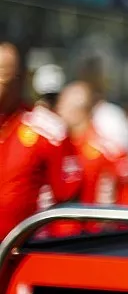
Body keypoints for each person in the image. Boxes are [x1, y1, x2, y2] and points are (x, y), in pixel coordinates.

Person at [0, 40, 82, 239]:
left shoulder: (48, 131)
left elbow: (67, 202)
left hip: (23, 251)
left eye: (3, 77)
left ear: (19, 80)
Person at [56, 81, 128, 207]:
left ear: (78, 111)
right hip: (59, 223)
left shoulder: (106, 150)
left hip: (93, 223)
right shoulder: (58, 145)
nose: (58, 111)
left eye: (62, 105)